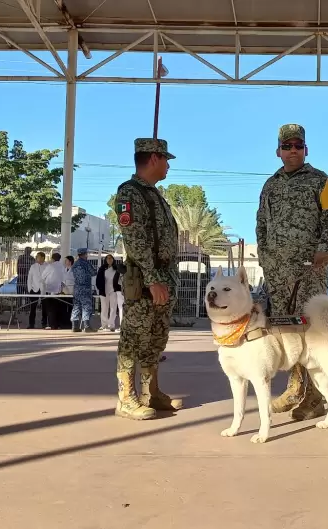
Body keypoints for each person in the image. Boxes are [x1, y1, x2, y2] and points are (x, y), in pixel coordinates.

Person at [256, 124, 328, 421]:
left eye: (298, 145)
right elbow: (261, 224)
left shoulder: (320, 181)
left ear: (306, 149)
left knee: (313, 331)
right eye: (287, 146)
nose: (292, 150)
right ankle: (295, 388)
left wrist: (325, 247)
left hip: (309, 271)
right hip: (278, 274)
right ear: (278, 151)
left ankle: (316, 396)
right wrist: (265, 257)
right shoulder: (270, 184)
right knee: (287, 332)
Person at [111, 137, 183, 420]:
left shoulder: (154, 194)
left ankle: (150, 391)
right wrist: (153, 279)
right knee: (133, 338)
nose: (167, 166)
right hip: (143, 280)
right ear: (153, 158)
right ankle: (126, 398)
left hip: (163, 277)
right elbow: (135, 239)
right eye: (166, 160)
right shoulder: (130, 193)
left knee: (156, 337)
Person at [70, 248, 98, 332]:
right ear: (84, 254)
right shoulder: (86, 264)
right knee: (86, 306)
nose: (87, 255)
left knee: (76, 306)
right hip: (85, 288)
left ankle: (75, 326)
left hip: (77, 288)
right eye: (86, 254)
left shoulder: (75, 264)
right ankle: (87, 326)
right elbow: (93, 272)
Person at [97, 253, 124, 332]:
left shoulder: (116, 269)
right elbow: (98, 280)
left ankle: (111, 324)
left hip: (113, 291)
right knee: (104, 308)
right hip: (104, 291)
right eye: (108, 258)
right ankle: (104, 325)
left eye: (111, 258)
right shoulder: (102, 268)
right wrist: (100, 288)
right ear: (105, 260)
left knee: (113, 308)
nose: (109, 260)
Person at [42, 252, 67, 330]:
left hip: (50, 290)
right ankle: (58, 324)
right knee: (58, 308)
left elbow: (43, 276)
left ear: (52, 258)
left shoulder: (50, 266)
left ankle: (52, 325)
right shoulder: (62, 267)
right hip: (59, 290)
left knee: (50, 309)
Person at [26, 251, 47, 329]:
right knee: (32, 307)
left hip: (44, 289)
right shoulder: (33, 266)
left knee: (45, 307)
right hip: (34, 289)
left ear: (42, 258)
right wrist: (30, 289)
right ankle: (31, 324)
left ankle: (44, 323)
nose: (36, 258)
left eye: (38, 256)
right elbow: (29, 278)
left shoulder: (47, 266)